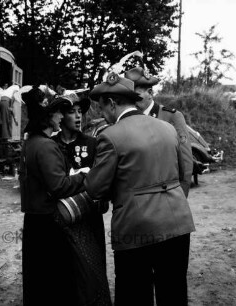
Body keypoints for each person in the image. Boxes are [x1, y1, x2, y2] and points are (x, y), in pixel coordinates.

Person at [85, 72, 195, 306]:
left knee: (134, 295)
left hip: (136, 229)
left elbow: (96, 189)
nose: (103, 116)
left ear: (112, 104)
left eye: (102, 109)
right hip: (177, 223)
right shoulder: (167, 128)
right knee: (173, 292)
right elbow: (181, 169)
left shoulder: (110, 136)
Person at [19, 85, 89, 306]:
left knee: (37, 283)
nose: (61, 116)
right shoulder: (46, 146)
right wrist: (85, 175)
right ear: (46, 116)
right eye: (58, 111)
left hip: (33, 222)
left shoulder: (30, 143)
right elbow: (58, 186)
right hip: (50, 224)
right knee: (56, 284)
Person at [52, 90, 111, 305]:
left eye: (80, 112)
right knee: (63, 268)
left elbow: (101, 180)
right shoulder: (52, 144)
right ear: (60, 116)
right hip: (60, 217)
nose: (78, 116)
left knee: (91, 269)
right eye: (71, 112)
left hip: (87, 216)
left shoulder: (92, 143)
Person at [125, 67, 193, 197]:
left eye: (136, 97)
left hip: (166, 195)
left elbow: (185, 163)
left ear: (150, 93)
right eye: (130, 98)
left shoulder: (172, 117)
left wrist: (181, 198)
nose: (132, 102)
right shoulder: (128, 119)